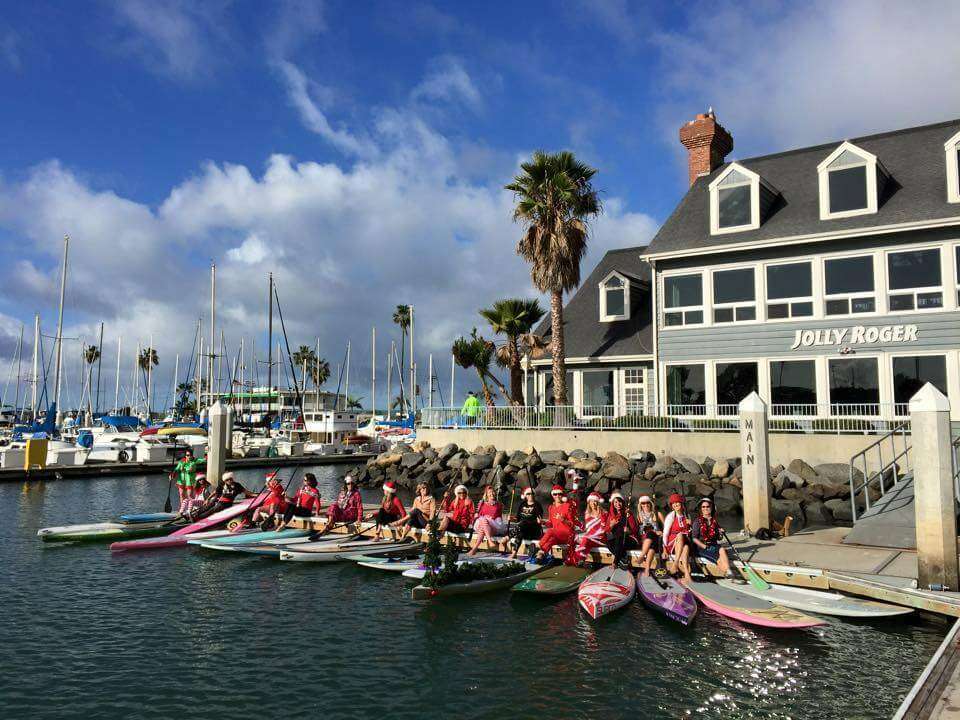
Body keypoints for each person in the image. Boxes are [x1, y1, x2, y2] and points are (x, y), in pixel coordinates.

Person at [534, 483, 578, 564]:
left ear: (562, 495)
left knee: (551, 531)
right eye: (555, 494)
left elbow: (572, 524)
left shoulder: (567, 506)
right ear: (552, 496)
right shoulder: (551, 508)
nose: (557, 496)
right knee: (551, 540)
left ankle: (537, 546)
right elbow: (550, 523)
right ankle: (540, 556)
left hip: (567, 534)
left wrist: (563, 520)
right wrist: (543, 522)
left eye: (559, 494)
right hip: (556, 535)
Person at [691, 497, 731, 576]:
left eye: (707, 506)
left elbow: (719, 538)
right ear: (701, 509)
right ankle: (730, 574)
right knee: (718, 558)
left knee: (722, 549)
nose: (705, 508)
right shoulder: (697, 521)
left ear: (711, 508)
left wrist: (721, 533)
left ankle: (729, 572)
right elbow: (694, 538)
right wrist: (705, 547)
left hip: (713, 545)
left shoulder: (714, 521)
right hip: (701, 548)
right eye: (703, 507)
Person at [569, 492, 608, 566]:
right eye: (591, 501)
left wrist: (602, 516)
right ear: (589, 503)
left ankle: (578, 559)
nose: (593, 503)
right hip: (590, 537)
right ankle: (572, 557)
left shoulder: (604, 513)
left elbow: (603, 529)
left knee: (586, 539)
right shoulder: (587, 513)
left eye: (595, 501)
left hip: (600, 538)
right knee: (574, 537)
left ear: (598, 503)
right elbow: (588, 528)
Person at [466, 484, 505, 556]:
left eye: (493, 492)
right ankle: (490, 541)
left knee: (483, 523)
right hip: (484, 525)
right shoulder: (482, 504)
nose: (491, 494)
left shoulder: (499, 504)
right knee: (483, 521)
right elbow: (478, 516)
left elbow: (499, 518)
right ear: (486, 495)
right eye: (489, 492)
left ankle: (474, 549)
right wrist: (476, 516)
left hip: (493, 527)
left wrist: (489, 519)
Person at [662, 493, 692, 583]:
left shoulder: (687, 516)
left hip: (685, 541)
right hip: (672, 543)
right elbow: (665, 534)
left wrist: (690, 524)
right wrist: (664, 550)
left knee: (686, 547)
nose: (675, 504)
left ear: (682, 504)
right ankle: (675, 564)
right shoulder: (671, 516)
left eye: (677, 502)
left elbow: (691, 533)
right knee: (679, 535)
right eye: (673, 503)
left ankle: (687, 575)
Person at [606, 491, 640, 569]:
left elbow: (635, 529)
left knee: (619, 539)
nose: (618, 504)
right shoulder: (611, 516)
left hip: (630, 539)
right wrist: (612, 524)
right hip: (619, 542)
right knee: (608, 542)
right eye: (616, 502)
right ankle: (623, 558)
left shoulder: (628, 514)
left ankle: (615, 563)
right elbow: (606, 530)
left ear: (623, 502)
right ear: (613, 504)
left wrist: (629, 531)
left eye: (620, 502)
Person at [507, 486, 543, 558]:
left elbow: (540, 520)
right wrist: (511, 518)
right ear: (525, 496)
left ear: (534, 494)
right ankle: (514, 553)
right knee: (520, 533)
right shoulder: (522, 504)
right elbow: (517, 519)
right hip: (523, 528)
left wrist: (540, 521)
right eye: (528, 494)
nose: (530, 495)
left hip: (533, 530)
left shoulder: (537, 505)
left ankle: (507, 537)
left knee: (524, 523)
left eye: (532, 494)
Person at [635, 495, 664, 576]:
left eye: (647, 503)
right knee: (651, 548)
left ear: (651, 504)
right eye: (643, 503)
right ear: (640, 505)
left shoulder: (657, 514)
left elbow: (667, 527)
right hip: (645, 541)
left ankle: (642, 556)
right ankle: (647, 569)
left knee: (651, 534)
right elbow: (637, 530)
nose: (645, 505)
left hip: (656, 538)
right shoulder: (639, 516)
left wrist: (661, 532)